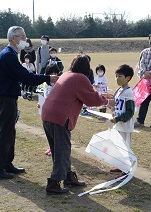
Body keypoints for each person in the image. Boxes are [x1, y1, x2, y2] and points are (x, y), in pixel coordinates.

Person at [0, 26, 58, 180]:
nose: (25, 39)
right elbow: (25, 77)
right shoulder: (8, 55)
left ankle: (7, 164)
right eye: (22, 36)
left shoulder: (12, 54)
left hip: (9, 97)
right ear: (13, 38)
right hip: (5, 98)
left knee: (10, 133)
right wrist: (48, 78)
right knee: (5, 133)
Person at [41, 55, 110, 194]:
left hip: (48, 114)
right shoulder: (80, 78)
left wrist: (101, 97)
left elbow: (85, 94)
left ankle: (67, 176)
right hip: (59, 117)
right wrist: (106, 101)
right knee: (62, 151)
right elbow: (91, 99)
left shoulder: (66, 75)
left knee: (59, 149)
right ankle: (54, 183)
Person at [109, 64, 135, 175]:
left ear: (128, 78)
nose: (117, 78)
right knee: (118, 146)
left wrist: (118, 118)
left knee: (125, 148)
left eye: (120, 76)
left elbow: (130, 112)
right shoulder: (119, 90)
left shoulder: (129, 92)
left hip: (125, 126)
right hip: (118, 125)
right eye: (116, 76)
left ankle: (126, 170)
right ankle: (120, 166)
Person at [40, 63, 61, 157]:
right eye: (51, 73)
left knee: (55, 131)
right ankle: (51, 147)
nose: (54, 75)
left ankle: (56, 149)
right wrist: (40, 103)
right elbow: (44, 95)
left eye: (55, 73)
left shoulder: (60, 84)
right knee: (48, 130)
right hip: (47, 110)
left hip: (55, 110)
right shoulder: (46, 83)